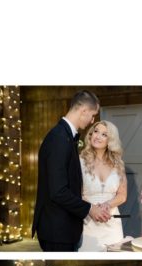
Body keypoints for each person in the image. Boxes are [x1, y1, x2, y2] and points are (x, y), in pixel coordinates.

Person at [33, 90, 111, 252]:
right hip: (57, 231)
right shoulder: (59, 139)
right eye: (92, 115)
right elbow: (58, 191)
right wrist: (90, 209)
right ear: (83, 111)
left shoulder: (66, 136)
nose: (92, 121)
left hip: (64, 228)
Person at [79, 120, 127, 251]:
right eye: (96, 131)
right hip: (87, 222)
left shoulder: (118, 163)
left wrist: (107, 205)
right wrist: (93, 209)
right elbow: (76, 194)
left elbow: (122, 195)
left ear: (110, 140)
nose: (98, 136)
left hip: (112, 223)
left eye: (104, 134)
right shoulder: (79, 161)